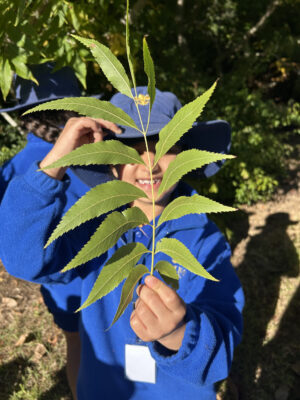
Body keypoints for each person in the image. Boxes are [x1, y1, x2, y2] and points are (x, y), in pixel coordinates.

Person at [0, 86, 244, 400]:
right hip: (104, 389)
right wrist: (54, 165)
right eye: (129, 148)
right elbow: (23, 258)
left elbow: (224, 334)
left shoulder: (202, 237)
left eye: (164, 145)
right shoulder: (95, 231)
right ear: (110, 163)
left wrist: (179, 333)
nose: (149, 163)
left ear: (185, 153)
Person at [0, 63, 107, 399]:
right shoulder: (97, 155)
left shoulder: (17, 165)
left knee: (76, 341)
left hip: (59, 282)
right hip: (105, 272)